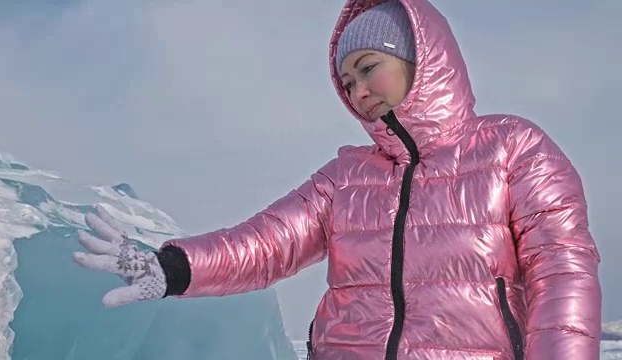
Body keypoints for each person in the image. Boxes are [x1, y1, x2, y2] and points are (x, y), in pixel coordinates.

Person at [73, 0, 602, 359]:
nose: (358, 91)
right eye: (347, 81)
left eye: (369, 67)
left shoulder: (513, 148)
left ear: (421, 60)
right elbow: (265, 244)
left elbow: (562, 271)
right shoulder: (346, 177)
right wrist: (174, 267)